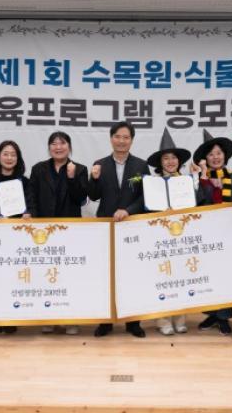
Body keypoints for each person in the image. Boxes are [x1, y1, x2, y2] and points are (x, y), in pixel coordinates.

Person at [87, 121, 150, 338]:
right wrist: (94, 178)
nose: (121, 141)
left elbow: (145, 196)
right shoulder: (99, 164)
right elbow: (93, 195)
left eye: (126, 137)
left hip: (132, 226)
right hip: (106, 226)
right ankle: (106, 321)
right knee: (105, 275)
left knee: (133, 275)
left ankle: (133, 322)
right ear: (111, 138)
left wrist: (128, 210)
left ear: (131, 140)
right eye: (118, 137)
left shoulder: (141, 166)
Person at [147, 128, 208, 336]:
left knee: (182, 276)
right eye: (166, 158)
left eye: (173, 158)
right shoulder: (153, 183)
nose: (170, 162)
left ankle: (180, 318)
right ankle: (163, 320)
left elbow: (199, 203)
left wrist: (197, 178)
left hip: (183, 235)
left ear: (179, 161)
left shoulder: (187, 181)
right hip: (161, 236)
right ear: (160, 162)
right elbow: (148, 209)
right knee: (163, 276)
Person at [28, 131, 88, 335]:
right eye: (54, 143)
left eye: (62, 143)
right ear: (49, 148)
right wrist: (32, 218)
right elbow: (32, 195)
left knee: (69, 276)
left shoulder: (80, 169)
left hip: (69, 230)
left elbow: (81, 198)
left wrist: (71, 178)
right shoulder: (38, 169)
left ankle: (71, 319)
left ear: (69, 147)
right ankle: (48, 317)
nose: (58, 147)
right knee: (45, 275)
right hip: (43, 231)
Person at [0, 140, 36, 335]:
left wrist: (28, 213)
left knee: (14, 279)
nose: (9, 158)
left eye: (13, 154)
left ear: (18, 159)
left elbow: (31, 205)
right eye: (5, 154)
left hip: (15, 238)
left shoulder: (24, 182)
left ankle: (11, 317)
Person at [192, 129, 232, 335]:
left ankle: (224, 317)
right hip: (206, 234)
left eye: (219, 153)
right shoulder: (199, 178)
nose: (216, 157)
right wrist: (205, 178)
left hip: (229, 234)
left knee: (226, 276)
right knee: (208, 275)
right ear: (205, 159)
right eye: (211, 154)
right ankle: (212, 314)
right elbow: (199, 201)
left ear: (224, 156)